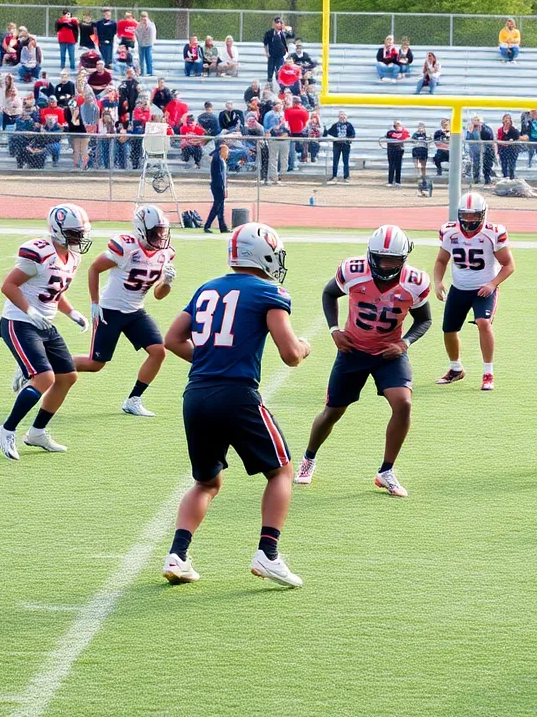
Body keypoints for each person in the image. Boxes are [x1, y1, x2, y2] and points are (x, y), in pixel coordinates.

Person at [161, 223, 309, 587]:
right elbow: (290, 354)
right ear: (264, 254)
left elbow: (172, 339)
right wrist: (306, 345)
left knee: (206, 483)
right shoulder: (268, 292)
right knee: (281, 472)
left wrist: (210, 360)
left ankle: (177, 555)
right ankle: (268, 554)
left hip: (196, 395)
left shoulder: (208, 287)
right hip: (236, 394)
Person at [297, 226, 432, 497]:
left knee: (403, 403)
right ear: (370, 255)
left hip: (389, 354)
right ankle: (309, 458)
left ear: (404, 258)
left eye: (393, 259)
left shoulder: (415, 282)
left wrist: (404, 343)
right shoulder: (352, 270)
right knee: (332, 412)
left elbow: (424, 319)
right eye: (381, 258)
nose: (386, 265)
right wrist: (334, 330)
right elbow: (329, 293)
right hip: (353, 351)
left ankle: (386, 471)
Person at [0, 205, 92, 460]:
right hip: (19, 321)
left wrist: (71, 313)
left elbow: (56, 290)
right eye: (73, 233)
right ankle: (6, 429)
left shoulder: (73, 256)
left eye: (80, 233)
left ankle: (37, 432)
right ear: (56, 230)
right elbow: (9, 285)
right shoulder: (39, 252)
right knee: (45, 377)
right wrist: (29, 311)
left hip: (45, 323)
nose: (78, 238)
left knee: (67, 376)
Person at [71, 205, 175, 418]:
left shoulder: (165, 254)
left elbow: (158, 294)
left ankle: (133, 400)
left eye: (161, 230)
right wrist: (94, 302)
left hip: (136, 311)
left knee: (158, 351)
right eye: (155, 230)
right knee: (95, 364)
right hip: (109, 311)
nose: (159, 236)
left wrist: (168, 283)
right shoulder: (127, 247)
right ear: (141, 229)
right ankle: (41, 365)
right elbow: (94, 268)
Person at [431, 193, 515, 390]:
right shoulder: (449, 232)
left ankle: (488, 373)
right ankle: (455, 368)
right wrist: (437, 281)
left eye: (474, 215)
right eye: (465, 215)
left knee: (483, 323)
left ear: (483, 214)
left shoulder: (493, 232)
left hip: (484, 289)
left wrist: (492, 284)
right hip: (459, 288)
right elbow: (441, 260)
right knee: (449, 329)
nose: (469, 220)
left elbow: (509, 264)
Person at [324, 111, 355, 183]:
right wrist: (325, 131)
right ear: (338, 117)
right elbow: (328, 132)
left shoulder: (349, 125)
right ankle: (334, 176)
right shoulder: (335, 125)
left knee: (346, 161)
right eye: (341, 115)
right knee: (335, 161)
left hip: (346, 145)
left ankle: (346, 176)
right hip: (337, 145)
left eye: (344, 115)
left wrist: (347, 139)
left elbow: (353, 134)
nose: (342, 117)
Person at [205, 143, 230, 233]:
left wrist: (225, 188)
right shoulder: (217, 159)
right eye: (226, 151)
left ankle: (223, 227)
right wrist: (223, 188)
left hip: (220, 186)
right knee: (217, 206)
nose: (227, 154)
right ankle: (207, 225)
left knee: (220, 207)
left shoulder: (222, 160)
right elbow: (219, 176)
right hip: (217, 186)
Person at [263, 16, 293, 83]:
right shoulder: (269, 33)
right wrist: (266, 53)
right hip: (272, 55)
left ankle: (279, 84)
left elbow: (291, 35)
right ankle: (270, 83)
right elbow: (265, 44)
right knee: (270, 71)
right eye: (277, 22)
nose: (278, 24)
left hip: (280, 55)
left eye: (280, 22)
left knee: (279, 71)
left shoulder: (284, 33)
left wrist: (283, 27)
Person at [382, 120, 409, 186]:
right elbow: (393, 136)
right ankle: (390, 181)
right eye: (397, 124)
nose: (399, 125)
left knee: (398, 166)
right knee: (391, 165)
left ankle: (398, 181)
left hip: (399, 150)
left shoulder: (404, 131)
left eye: (400, 124)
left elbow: (406, 136)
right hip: (391, 150)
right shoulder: (390, 132)